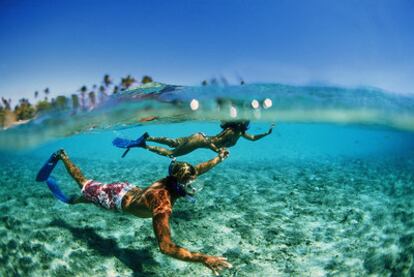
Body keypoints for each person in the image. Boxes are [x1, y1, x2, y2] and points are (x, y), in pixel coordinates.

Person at [54, 148, 232, 275]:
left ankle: (74, 196)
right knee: (84, 185)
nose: (193, 185)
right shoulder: (162, 204)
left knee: (87, 192)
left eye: (192, 180)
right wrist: (203, 258)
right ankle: (63, 159)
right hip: (114, 199)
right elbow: (165, 247)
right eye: (189, 182)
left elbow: (199, 169)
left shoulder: (172, 178)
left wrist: (219, 158)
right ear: (179, 182)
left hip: (127, 189)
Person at [139, 120, 274, 157]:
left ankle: (148, 137)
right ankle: (144, 145)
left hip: (198, 138)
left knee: (174, 143)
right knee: (171, 154)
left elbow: (253, 138)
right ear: (241, 123)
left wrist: (266, 133)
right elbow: (210, 142)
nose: (247, 124)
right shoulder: (232, 132)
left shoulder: (239, 132)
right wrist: (218, 152)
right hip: (199, 140)